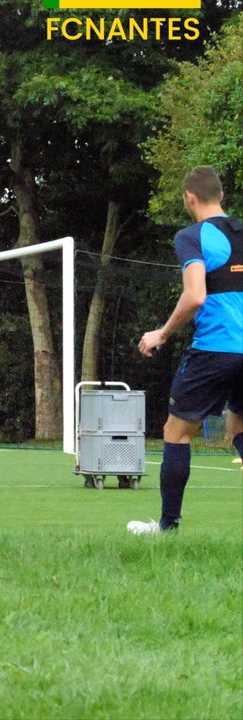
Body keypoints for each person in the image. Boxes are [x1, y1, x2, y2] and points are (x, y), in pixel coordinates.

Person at [129, 166, 243, 535]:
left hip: (215, 349)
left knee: (176, 432)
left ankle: (167, 527)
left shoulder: (192, 236)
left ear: (189, 198)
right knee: (238, 425)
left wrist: (161, 333)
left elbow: (195, 296)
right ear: (221, 196)